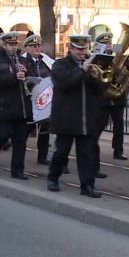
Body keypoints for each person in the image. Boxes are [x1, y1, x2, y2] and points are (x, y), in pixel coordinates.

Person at [47, 35, 106, 198]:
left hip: (86, 118)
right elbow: (62, 82)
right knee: (61, 152)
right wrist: (82, 70)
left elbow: (100, 90)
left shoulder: (91, 65)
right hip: (66, 117)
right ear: (70, 48)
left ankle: (87, 185)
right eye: (78, 49)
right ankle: (53, 178)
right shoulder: (60, 65)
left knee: (86, 154)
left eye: (84, 49)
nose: (82, 52)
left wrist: (94, 77)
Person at [0, 31, 32, 179]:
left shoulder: (21, 60)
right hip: (4, 106)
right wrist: (13, 77)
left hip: (20, 107)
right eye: (11, 45)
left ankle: (17, 169)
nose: (14, 47)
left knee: (20, 140)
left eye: (15, 45)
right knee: (1, 136)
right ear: (3, 45)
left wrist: (27, 72)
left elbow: (28, 79)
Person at [94, 31, 128, 161]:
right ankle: (92, 145)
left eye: (109, 43)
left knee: (119, 124)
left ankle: (118, 150)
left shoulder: (118, 56)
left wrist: (121, 74)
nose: (108, 45)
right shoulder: (97, 58)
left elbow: (124, 74)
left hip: (117, 97)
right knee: (100, 124)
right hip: (104, 96)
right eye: (105, 43)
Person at [21, 34, 53, 164]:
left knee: (45, 129)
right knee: (27, 129)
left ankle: (43, 156)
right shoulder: (23, 61)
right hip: (29, 100)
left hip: (44, 100)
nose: (37, 48)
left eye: (38, 46)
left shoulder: (45, 60)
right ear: (28, 48)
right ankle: (19, 156)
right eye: (34, 46)